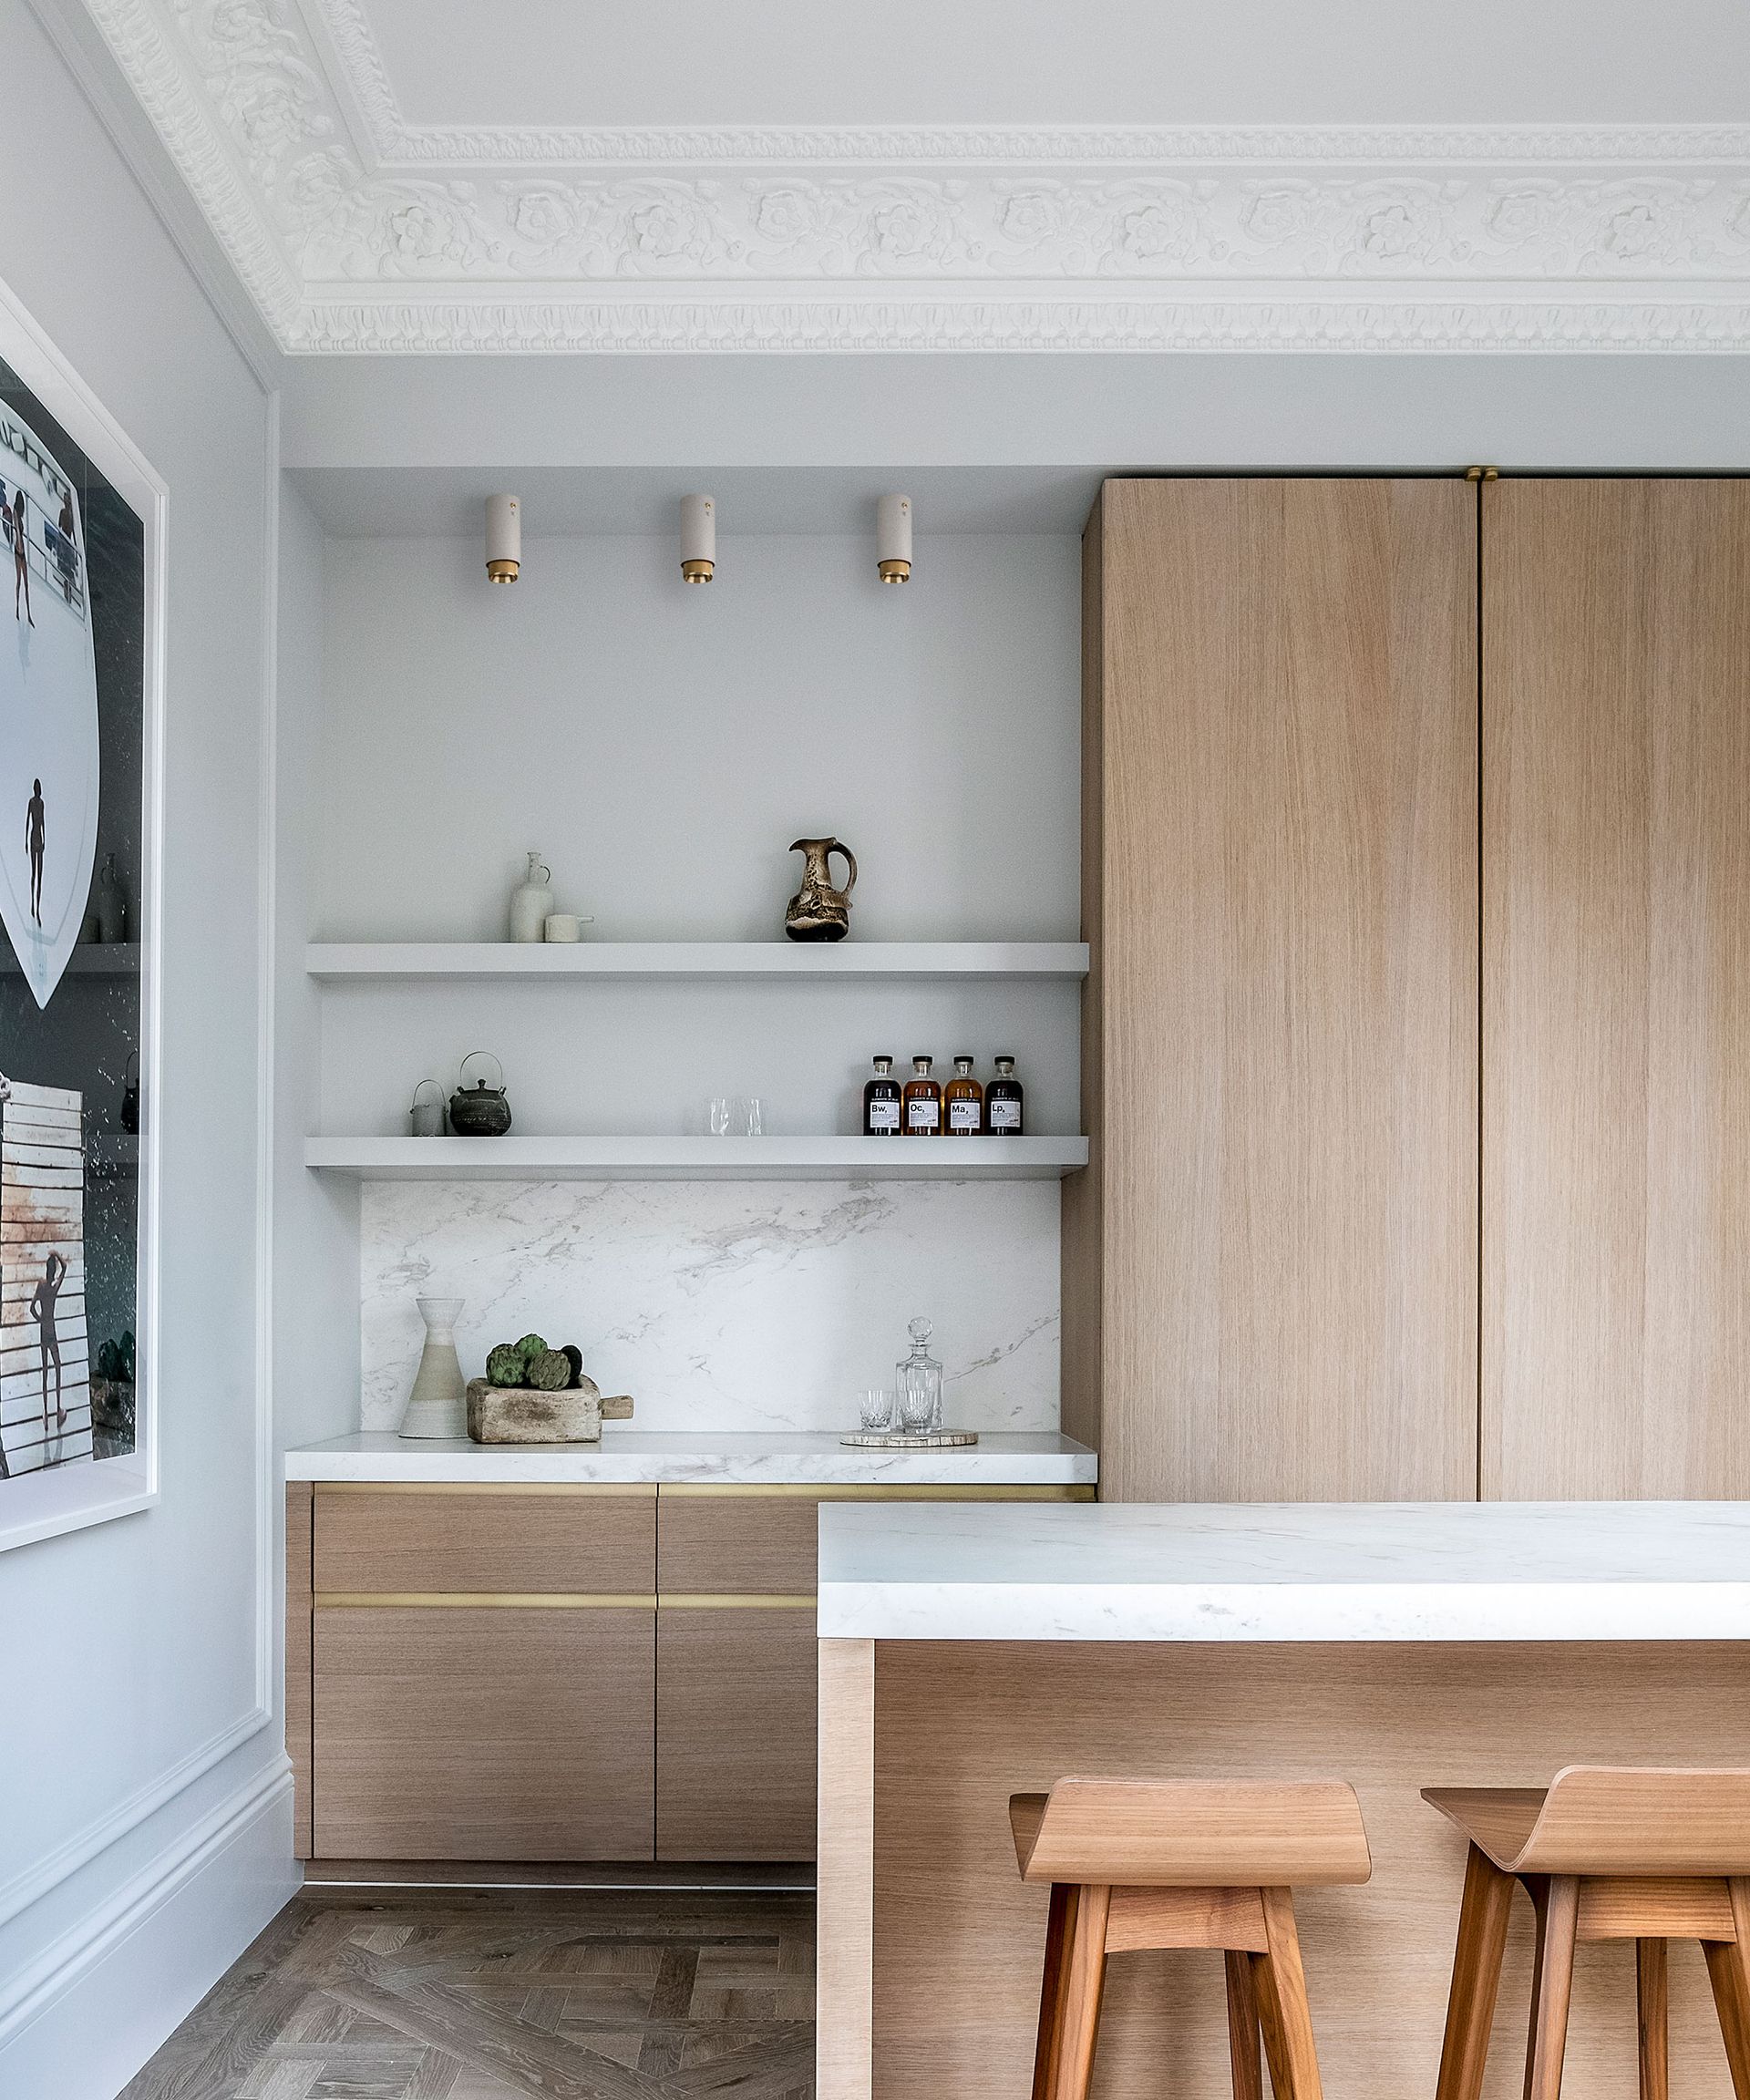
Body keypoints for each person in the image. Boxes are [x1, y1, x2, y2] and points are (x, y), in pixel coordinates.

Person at [30, 1250, 67, 1446]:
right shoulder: (53, 1287)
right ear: (53, 1271)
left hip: (43, 1332)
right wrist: (57, 1255)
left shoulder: (41, 1286)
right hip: (52, 1331)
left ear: (46, 1270)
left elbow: (32, 1308)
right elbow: (66, 1269)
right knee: (58, 1367)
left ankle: (45, 1414)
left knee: (45, 1372)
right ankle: (58, 1409)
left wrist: (40, 1320)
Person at [25, 778, 45, 926]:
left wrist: (44, 840)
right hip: (33, 837)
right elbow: (28, 821)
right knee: (34, 874)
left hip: (38, 837)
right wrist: (26, 841)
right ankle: (33, 903)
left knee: (39, 875)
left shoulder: (40, 803)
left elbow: (42, 821)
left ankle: (37, 908)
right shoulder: (32, 803)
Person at [12, 489, 32, 626]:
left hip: (22, 549)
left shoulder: (18, 515)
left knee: (26, 583)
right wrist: (19, 544)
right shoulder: (15, 513)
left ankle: (29, 613)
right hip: (19, 549)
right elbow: (17, 531)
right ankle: (18, 608)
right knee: (19, 581)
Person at [56, 489, 76, 604]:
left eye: (67, 498)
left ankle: (69, 590)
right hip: (63, 539)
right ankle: (67, 591)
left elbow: (71, 529)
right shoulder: (63, 512)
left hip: (67, 540)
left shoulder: (70, 513)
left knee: (69, 568)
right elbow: (60, 526)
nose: (65, 500)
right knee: (65, 567)